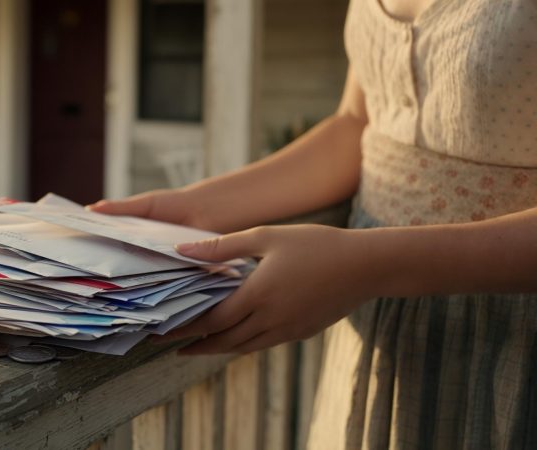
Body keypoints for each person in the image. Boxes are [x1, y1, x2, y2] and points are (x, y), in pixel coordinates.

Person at [89, 0, 537, 447]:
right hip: (377, 325)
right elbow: (358, 124)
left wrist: (369, 266)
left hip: (510, 333)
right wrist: (195, 208)